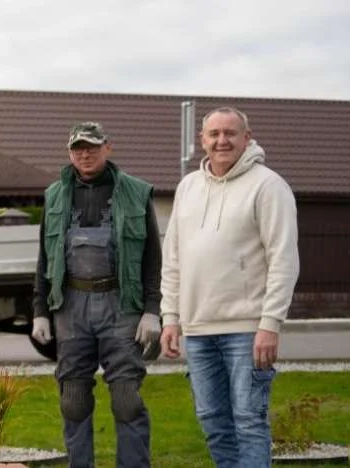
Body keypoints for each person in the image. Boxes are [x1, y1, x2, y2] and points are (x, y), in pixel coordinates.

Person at [160, 107, 299, 467]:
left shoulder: (269, 186)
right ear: (202, 141)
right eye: (214, 134)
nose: (222, 140)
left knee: (249, 422)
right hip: (197, 330)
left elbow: (283, 260)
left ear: (247, 138)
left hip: (247, 330)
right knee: (213, 421)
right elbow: (173, 257)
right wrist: (171, 317)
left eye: (230, 133)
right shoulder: (188, 187)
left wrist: (270, 324)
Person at [30, 122, 163, 467]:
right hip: (70, 306)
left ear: (108, 147)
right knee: (72, 398)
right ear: (70, 154)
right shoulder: (55, 195)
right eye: (78, 149)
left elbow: (152, 257)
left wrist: (152, 310)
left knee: (126, 398)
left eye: (91, 147)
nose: (84, 154)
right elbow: (45, 258)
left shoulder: (136, 192)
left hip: (122, 304)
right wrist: (40, 310)